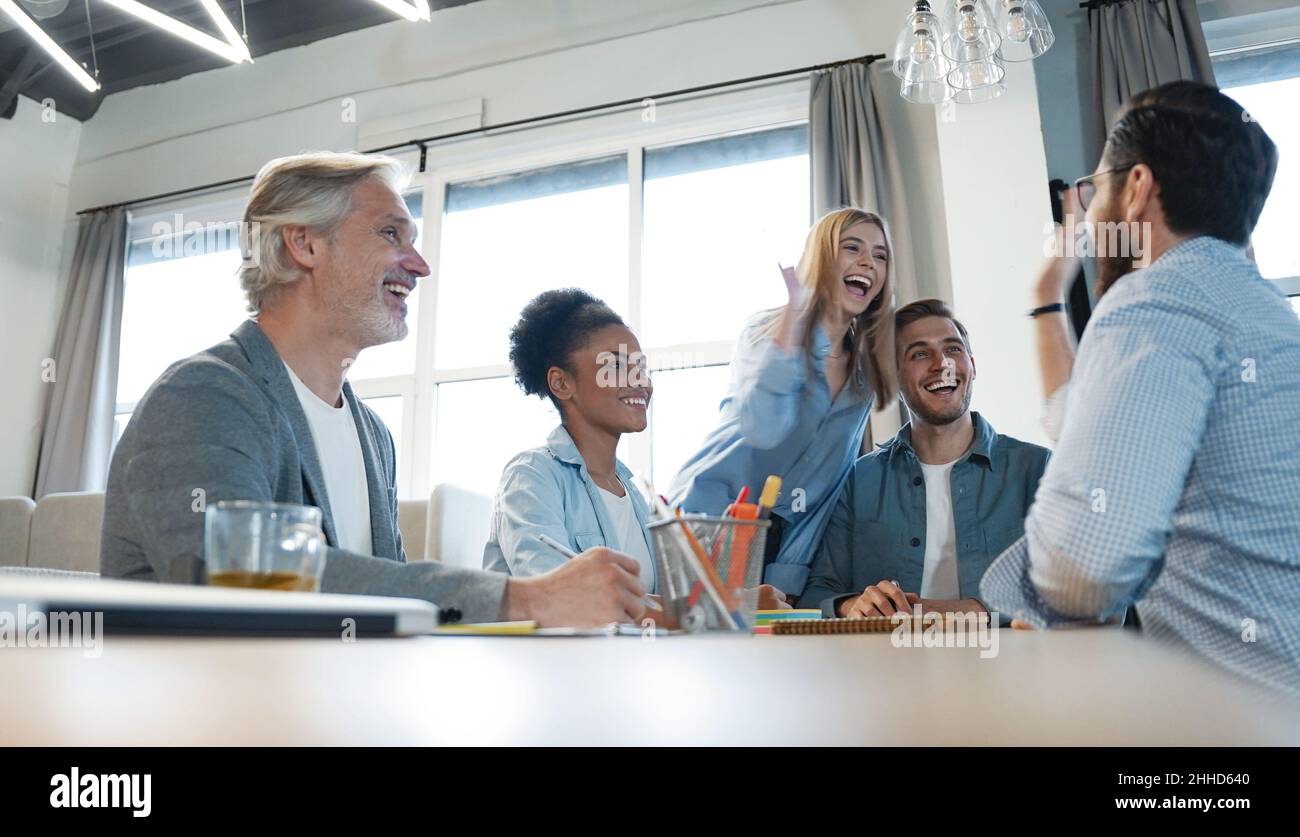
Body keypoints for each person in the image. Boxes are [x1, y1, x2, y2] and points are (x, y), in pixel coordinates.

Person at [100, 151, 648, 628]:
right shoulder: (206, 396)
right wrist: (520, 599)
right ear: (304, 243)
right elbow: (236, 581)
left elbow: (382, 596)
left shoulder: (372, 435)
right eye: (391, 234)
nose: (420, 265)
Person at [980, 81, 1300, 694]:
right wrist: (1046, 293)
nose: (1091, 206)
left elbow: (1084, 568)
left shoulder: (1154, 299)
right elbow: (1081, 421)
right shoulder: (1264, 309)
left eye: (1095, 186)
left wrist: (1035, 594)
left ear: (1137, 188)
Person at [669, 208, 897, 601]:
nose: (867, 262)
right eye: (852, 248)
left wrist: (787, 577)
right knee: (701, 651)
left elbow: (826, 485)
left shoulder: (864, 376)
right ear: (822, 258)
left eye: (879, 255)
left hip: (776, 546)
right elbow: (762, 426)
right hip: (707, 521)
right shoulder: (764, 332)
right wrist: (796, 322)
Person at [803, 300, 1049, 620]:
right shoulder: (857, 481)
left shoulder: (1039, 470)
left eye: (953, 349)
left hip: (1007, 665)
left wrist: (971, 612)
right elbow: (816, 591)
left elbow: (1080, 591)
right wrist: (851, 605)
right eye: (920, 354)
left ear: (972, 365)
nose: (941, 363)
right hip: (890, 666)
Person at [483, 289, 657, 592]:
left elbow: (665, 602)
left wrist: (740, 603)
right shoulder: (531, 477)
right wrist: (672, 616)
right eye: (615, 366)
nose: (640, 381)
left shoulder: (635, 496)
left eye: (641, 367)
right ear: (562, 383)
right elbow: (562, 598)